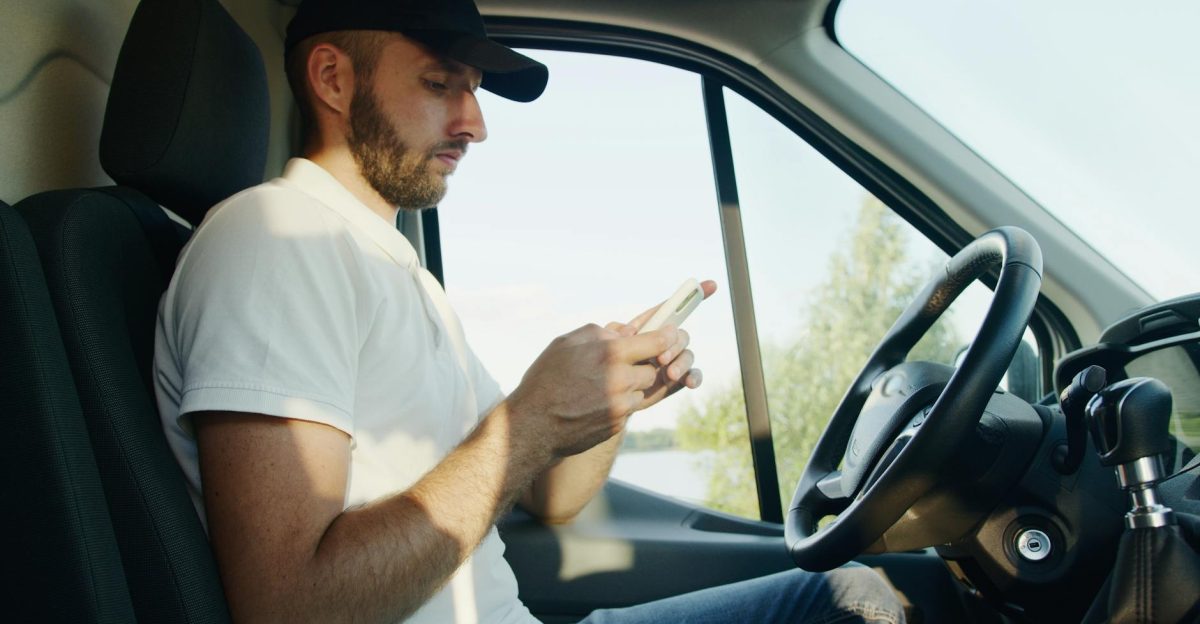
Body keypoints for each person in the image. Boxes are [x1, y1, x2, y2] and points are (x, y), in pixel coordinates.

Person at [153, 0, 906, 622]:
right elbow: (287, 606)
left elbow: (554, 496)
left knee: (848, 591)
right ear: (333, 79)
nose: (475, 123)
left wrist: (612, 398)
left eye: (473, 89)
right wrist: (533, 421)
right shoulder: (275, 241)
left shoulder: (394, 270)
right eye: (442, 83)